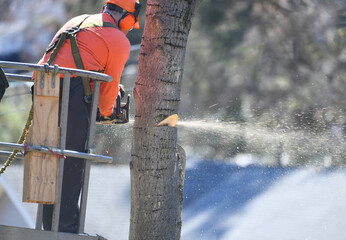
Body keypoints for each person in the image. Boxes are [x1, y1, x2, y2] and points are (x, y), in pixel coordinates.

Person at [36, 0, 141, 233]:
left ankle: (48, 228)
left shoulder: (79, 20)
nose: (129, 28)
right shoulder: (118, 40)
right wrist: (109, 111)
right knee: (71, 163)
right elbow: (105, 102)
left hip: (43, 89)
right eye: (131, 23)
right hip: (68, 94)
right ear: (125, 17)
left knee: (47, 159)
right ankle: (66, 230)